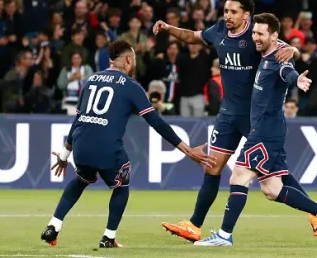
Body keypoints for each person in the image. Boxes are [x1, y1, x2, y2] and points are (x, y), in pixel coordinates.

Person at [153, 0, 317, 242]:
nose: (228, 16)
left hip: (255, 117)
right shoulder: (220, 30)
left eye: (233, 12)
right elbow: (194, 36)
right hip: (227, 113)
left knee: (275, 173)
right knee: (213, 166)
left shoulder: (256, 35)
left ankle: (313, 210)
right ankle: (194, 225)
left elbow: (284, 50)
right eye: (226, 11)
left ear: (247, 15)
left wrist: (295, 50)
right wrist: (168, 28)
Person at [40, 40, 216, 248]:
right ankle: (108, 237)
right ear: (128, 59)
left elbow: (78, 119)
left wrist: (63, 154)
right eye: (133, 61)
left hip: (81, 145)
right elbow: (156, 122)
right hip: (106, 148)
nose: (134, 65)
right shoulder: (132, 86)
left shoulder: (91, 80)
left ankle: (53, 225)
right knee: (122, 185)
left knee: (81, 180)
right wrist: (187, 150)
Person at [194, 13, 317, 247]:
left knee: (239, 176)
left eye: (260, 34)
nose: (255, 38)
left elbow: (287, 72)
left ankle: (224, 235)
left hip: (265, 131)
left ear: (274, 35)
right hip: (266, 129)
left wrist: (296, 80)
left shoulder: (279, 58)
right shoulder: (265, 53)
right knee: (272, 189)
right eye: (254, 33)